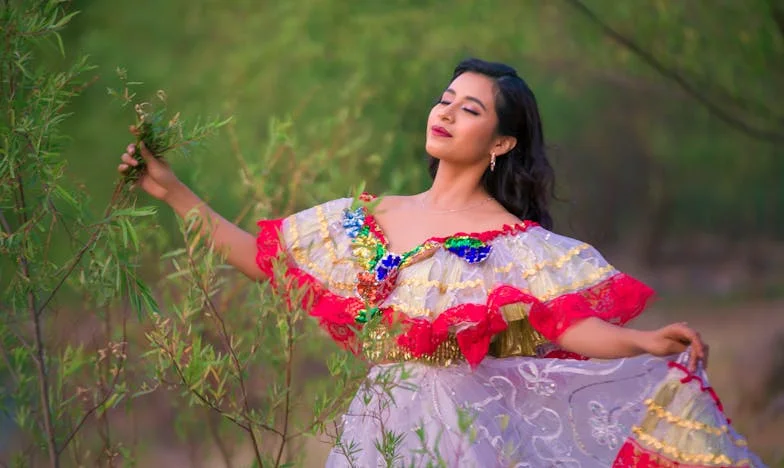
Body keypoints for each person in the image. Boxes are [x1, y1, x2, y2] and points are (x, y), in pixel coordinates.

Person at [118, 58, 765, 467]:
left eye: (471, 108)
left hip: (465, 435)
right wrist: (173, 190)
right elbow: (267, 262)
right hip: (376, 430)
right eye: (445, 99)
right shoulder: (365, 219)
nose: (447, 112)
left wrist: (643, 340)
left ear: (502, 142)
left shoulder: (516, 244)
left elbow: (566, 326)